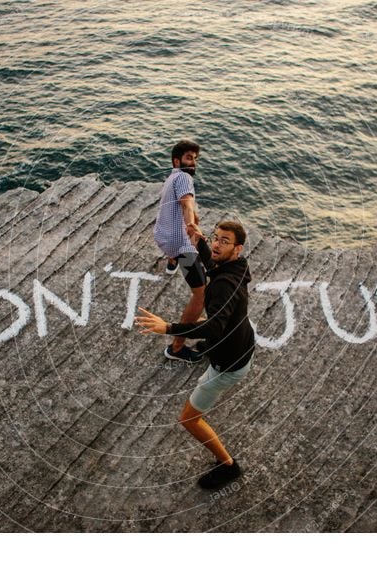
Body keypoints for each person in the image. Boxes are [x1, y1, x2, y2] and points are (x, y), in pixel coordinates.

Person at [136, 221, 255, 490]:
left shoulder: (225, 286)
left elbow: (214, 326)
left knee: (189, 419)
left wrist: (167, 327)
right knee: (213, 322)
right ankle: (205, 348)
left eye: (224, 241)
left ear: (238, 248)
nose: (217, 244)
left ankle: (228, 465)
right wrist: (199, 241)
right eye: (216, 238)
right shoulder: (239, 266)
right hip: (242, 341)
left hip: (228, 365)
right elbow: (214, 265)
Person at [153, 140, 205, 363]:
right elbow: (187, 204)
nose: (193, 162)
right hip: (180, 243)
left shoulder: (172, 177)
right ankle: (176, 347)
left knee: (176, 252)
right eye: (188, 158)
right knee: (201, 294)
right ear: (177, 161)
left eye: (195, 158)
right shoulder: (184, 178)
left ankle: (171, 261)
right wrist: (192, 226)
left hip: (162, 236)